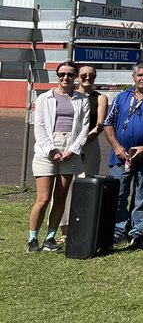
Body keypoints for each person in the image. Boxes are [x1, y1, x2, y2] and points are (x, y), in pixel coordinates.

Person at [102, 63, 143, 247]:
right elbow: (108, 123)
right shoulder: (122, 97)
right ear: (133, 77)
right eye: (139, 75)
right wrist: (116, 147)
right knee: (119, 194)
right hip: (121, 156)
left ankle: (137, 232)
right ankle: (118, 230)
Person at [28, 63, 89, 252]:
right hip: (47, 148)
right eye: (62, 74)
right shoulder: (44, 98)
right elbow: (38, 127)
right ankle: (32, 239)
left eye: (70, 74)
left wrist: (73, 149)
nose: (66, 78)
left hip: (69, 147)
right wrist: (51, 150)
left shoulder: (82, 99)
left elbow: (84, 127)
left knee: (61, 197)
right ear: (57, 76)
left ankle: (50, 238)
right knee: (44, 198)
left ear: (75, 77)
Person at [75, 65, 109, 178]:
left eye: (91, 75)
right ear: (77, 77)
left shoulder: (100, 98)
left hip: (90, 142)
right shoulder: (70, 96)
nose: (87, 78)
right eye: (83, 75)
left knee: (88, 177)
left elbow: (100, 124)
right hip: (70, 141)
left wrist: (84, 141)